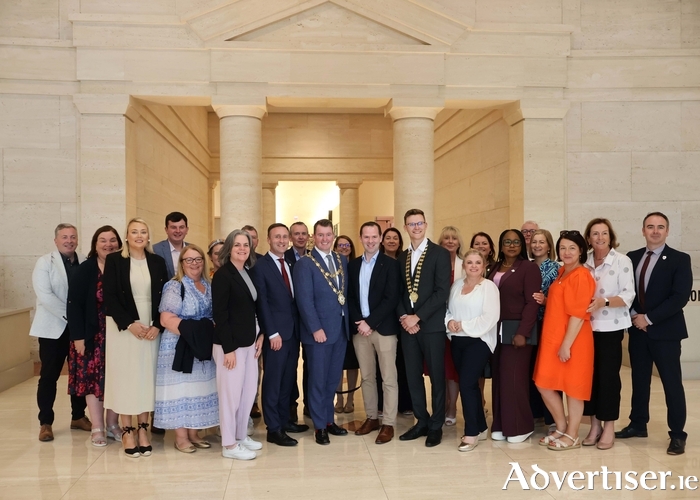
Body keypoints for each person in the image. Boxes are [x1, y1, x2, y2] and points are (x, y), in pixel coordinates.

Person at [615, 212, 692, 456]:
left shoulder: (679, 259)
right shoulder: (632, 257)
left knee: (671, 383)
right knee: (639, 380)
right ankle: (638, 424)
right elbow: (626, 291)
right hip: (638, 331)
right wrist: (636, 315)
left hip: (666, 332)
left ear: (667, 231)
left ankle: (678, 434)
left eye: (660, 227)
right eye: (650, 226)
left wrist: (648, 318)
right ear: (643, 230)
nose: (655, 231)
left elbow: (679, 297)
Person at [103, 218, 169, 458]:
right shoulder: (115, 261)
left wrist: (157, 326)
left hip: (151, 327)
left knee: (145, 377)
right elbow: (110, 297)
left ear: (149, 236)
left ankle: (143, 429)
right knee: (126, 378)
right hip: (124, 328)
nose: (139, 235)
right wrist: (130, 324)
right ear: (127, 236)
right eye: (134, 232)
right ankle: (127, 430)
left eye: (143, 231)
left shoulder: (158, 262)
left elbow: (164, 296)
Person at [154, 244, 219, 453]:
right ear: (182, 263)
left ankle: (194, 432)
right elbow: (166, 318)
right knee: (181, 390)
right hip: (179, 345)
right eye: (189, 260)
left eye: (198, 259)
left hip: (201, 345)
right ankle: (181, 437)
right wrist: (196, 331)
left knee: (198, 389)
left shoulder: (208, 285)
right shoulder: (174, 286)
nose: (194, 263)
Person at [534, 230, 595, 451]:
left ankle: (573, 434)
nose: (566, 252)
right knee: (543, 383)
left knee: (573, 388)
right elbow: (560, 303)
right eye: (563, 247)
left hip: (573, 340)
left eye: (572, 248)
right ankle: (561, 426)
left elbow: (578, 314)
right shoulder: (561, 272)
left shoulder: (582, 275)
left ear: (580, 250)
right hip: (553, 337)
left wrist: (566, 344)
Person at [578, 219, 636, 451]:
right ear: (588, 238)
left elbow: (628, 295)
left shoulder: (622, 261)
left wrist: (605, 301)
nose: (600, 238)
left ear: (610, 236)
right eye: (595, 234)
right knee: (589, 378)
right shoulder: (584, 263)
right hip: (585, 328)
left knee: (608, 378)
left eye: (604, 233)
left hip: (611, 328)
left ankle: (609, 425)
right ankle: (594, 425)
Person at [251, 223, 309, 448]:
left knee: (288, 378)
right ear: (268, 239)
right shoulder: (260, 267)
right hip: (276, 334)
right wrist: (271, 332)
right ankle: (273, 428)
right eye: (278, 237)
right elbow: (262, 303)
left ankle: (285, 420)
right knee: (273, 380)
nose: (282, 241)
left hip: (294, 332)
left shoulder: (294, 262)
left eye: (285, 237)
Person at [30, 223, 90, 442]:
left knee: (79, 374)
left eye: (73, 237)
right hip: (53, 329)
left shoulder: (85, 261)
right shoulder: (45, 262)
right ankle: (45, 422)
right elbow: (45, 296)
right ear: (56, 240)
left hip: (79, 330)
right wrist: (72, 317)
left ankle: (78, 416)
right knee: (49, 376)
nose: (69, 240)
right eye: (64, 237)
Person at [397, 209, 451, 447]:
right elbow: (397, 292)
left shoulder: (440, 254)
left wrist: (417, 317)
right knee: (412, 376)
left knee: (438, 377)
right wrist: (405, 317)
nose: (416, 227)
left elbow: (442, 292)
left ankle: (436, 424)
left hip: (431, 326)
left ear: (426, 225)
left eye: (419, 223)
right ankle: (421, 421)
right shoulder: (401, 257)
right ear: (405, 227)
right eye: (411, 224)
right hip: (408, 327)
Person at [293, 219, 350, 445]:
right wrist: (315, 328)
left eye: (328, 235)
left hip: (340, 330)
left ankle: (328, 420)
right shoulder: (305, 264)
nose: (325, 239)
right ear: (313, 238)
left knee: (332, 379)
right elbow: (304, 301)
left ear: (333, 236)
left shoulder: (341, 260)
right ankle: (319, 426)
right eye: (320, 235)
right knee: (317, 379)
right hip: (318, 333)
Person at [66, 226, 123, 447]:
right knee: (93, 382)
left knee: (116, 380)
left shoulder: (122, 267)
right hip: (91, 335)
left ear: (119, 243)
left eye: (112, 240)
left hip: (118, 335)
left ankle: (112, 424)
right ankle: (97, 426)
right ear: (95, 244)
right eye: (103, 240)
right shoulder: (86, 269)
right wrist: (77, 336)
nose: (108, 244)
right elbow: (74, 305)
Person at [212, 230, 265, 460]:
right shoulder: (223, 275)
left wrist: (261, 334)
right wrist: (229, 348)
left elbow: (254, 309)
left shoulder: (247, 272)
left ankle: (241, 435)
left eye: (246, 245)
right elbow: (220, 315)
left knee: (248, 391)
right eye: (237, 245)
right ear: (229, 249)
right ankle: (229, 445)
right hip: (230, 345)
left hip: (250, 342)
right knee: (230, 395)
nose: (242, 249)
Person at [348, 222, 402, 444]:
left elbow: (392, 298)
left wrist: (370, 322)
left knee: (388, 378)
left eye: (374, 237)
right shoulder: (352, 266)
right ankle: (372, 418)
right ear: (360, 238)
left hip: (384, 330)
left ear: (380, 238)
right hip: (360, 330)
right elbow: (349, 298)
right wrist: (360, 323)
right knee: (368, 377)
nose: (370, 241)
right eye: (366, 237)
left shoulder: (391, 265)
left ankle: (388, 423)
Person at [487, 229, 541, 443]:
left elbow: (532, 302)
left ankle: (520, 426)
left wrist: (523, 332)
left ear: (522, 245)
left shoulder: (529, 268)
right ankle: (501, 424)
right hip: (495, 331)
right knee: (500, 378)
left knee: (514, 379)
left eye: (516, 241)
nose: (511, 245)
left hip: (517, 331)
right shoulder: (494, 268)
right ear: (500, 245)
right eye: (507, 241)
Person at [445, 250, 500, 452]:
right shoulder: (457, 285)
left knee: (467, 384)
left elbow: (490, 317)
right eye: (469, 262)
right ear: (464, 265)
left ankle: (471, 433)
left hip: (479, 340)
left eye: (478, 262)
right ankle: (481, 426)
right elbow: (448, 310)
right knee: (470, 385)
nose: (474, 266)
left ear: (484, 264)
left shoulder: (489, 287)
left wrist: (464, 325)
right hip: (458, 341)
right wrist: (450, 322)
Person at [379, 227, 412, 416]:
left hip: (403, 317)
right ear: (382, 241)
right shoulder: (376, 261)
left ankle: (405, 403)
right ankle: (383, 404)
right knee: (382, 365)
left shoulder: (405, 261)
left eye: (395, 238)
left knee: (402, 362)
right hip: (382, 319)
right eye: (388, 238)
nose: (391, 241)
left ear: (400, 241)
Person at [530, 229, 560, 428]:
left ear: (549, 246)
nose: (537, 245)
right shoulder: (526, 266)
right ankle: (535, 414)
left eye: (542, 242)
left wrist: (546, 301)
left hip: (548, 324)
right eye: (534, 242)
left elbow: (561, 301)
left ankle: (552, 419)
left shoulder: (557, 269)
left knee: (548, 371)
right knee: (532, 370)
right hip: (530, 324)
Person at [437, 226, 465, 426]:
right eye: (446, 238)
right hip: (437, 320)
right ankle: (441, 405)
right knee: (441, 368)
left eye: (454, 238)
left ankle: (452, 406)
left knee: (453, 369)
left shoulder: (465, 264)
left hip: (458, 322)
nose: (450, 241)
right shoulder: (435, 262)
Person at [284, 221, 311, 421]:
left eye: (304, 233)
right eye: (296, 234)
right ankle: (291, 405)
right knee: (291, 364)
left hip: (311, 321)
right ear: (291, 237)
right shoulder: (283, 258)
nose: (300, 237)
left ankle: (311, 405)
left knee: (312, 363)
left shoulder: (315, 257)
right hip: (290, 320)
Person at [333, 235, 359, 414]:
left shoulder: (357, 266)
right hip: (336, 320)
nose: (343, 247)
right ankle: (339, 398)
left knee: (352, 362)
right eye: (340, 245)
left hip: (354, 320)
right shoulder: (332, 267)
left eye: (347, 245)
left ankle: (350, 398)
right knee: (337, 363)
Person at [242, 224, 264, 419]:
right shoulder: (232, 264)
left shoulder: (263, 262)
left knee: (258, 366)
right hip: (241, 323)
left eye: (253, 237)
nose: (250, 241)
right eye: (246, 237)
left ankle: (255, 401)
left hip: (261, 322)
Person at [153, 212, 189, 279]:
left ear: (187, 230)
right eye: (173, 227)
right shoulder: (155, 250)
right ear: (166, 230)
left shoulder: (193, 250)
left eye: (181, 227)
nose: (178, 231)